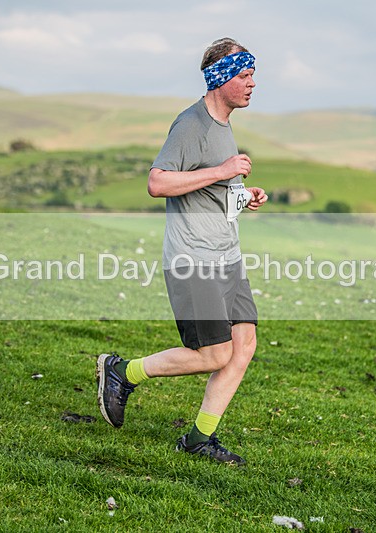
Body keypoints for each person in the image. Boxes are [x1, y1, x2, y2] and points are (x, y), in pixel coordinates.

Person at [96, 37, 267, 465]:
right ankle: (122, 372)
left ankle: (197, 439)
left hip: (226, 255)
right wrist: (225, 170)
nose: (252, 84)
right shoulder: (191, 125)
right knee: (214, 354)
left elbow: (208, 190)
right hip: (194, 259)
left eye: (252, 75)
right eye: (244, 75)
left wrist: (243, 195)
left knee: (243, 343)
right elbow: (158, 183)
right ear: (221, 78)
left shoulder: (223, 126)